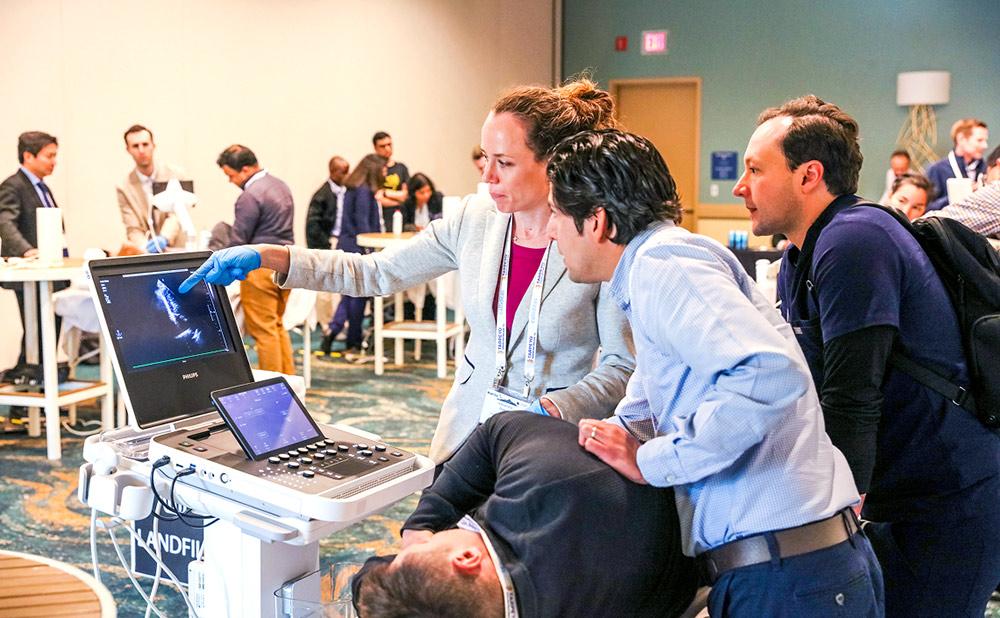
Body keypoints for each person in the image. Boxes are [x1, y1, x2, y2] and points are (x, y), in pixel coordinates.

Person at [179, 78, 635, 464]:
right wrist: (269, 255)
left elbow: (622, 365)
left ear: (552, 164)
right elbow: (373, 273)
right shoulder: (475, 219)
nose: (487, 178)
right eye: (486, 160)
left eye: (505, 163)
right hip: (467, 435)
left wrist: (554, 408)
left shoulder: (596, 236)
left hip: (548, 445)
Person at [544, 128, 879, 617]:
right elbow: (650, 400)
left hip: (788, 575)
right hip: (795, 568)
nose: (550, 230)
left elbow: (769, 376)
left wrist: (652, 462)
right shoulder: (659, 264)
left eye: (555, 213)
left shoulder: (663, 267)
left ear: (595, 221)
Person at [732, 94, 1000, 616]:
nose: (742, 186)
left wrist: (832, 512)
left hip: (953, 500)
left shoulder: (855, 239)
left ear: (809, 175)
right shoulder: (799, 257)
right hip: (903, 499)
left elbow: (852, 393)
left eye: (755, 169)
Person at [354, 411, 698, 618]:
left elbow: (367, 579)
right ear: (467, 558)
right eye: (412, 552)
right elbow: (496, 430)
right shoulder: (545, 484)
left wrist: (421, 527)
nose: (412, 544)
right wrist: (425, 522)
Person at [215, 144, 295, 374]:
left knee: (263, 331)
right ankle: (289, 384)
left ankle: (275, 390)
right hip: (288, 262)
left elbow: (239, 241)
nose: (230, 181)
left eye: (230, 175)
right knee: (277, 326)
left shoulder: (249, 196)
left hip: (260, 267)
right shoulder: (281, 186)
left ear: (246, 169)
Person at [0, 131, 67, 365]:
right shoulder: (13, 186)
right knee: (36, 333)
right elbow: (5, 223)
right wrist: (28, 250)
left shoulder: (42, 187)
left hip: (53, 271)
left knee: (46, 333)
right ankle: (29, 387)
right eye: (49, 156)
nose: (53, 161)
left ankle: (36, 388)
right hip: (31, 274)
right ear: (29, 156)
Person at [320, 154, 386, 357]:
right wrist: (370, 251)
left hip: (346, 244)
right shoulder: (364, 191)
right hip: (359, 247)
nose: (385, 173)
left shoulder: (351, 188)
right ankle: (353, 340)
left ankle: (334, 329)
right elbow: (363, 223)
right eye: (383, 170)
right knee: (358, 296)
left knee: (348, 295)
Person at [116, 124, 188, 253]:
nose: (141, 150)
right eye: (135, 146)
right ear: (128, 149)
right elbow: (132, 227)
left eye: (145, 144)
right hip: (146, 253)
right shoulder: (123, 187)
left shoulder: (176, 175)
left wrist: (164, 238)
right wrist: (145, 248)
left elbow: (177, 214)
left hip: (176, 249)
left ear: (153, 145)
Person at [306, 155, 350, 337]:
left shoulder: (347, 192)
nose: (346, 175)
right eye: (343, 172)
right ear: (332, 172)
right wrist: (323, 245)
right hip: (325, 243)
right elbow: (312, 225)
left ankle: (339, 322)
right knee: (324, 289)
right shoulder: (322, 195)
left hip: (342, 241)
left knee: (341, 286)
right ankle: (326, 325)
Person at [930, 144, 1000, 248]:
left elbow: (931, 225)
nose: (984, 145)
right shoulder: (939, 168)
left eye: (986, 178)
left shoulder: (996, 191)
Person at [925, 118, 989, 211]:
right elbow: (926, 208)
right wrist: (962, 193)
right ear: (961, 139)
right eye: (979, 140)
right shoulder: (937, 170)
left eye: (985, 140)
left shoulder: (987, 169)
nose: (985, 146)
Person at [372, 131, 408, 222]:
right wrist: (398, 201)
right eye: (382, 146)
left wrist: (385, 192)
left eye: (389, 144)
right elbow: (377, 199)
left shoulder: (401, 167)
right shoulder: (373, 169)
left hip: (400, 215)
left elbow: (405, 195)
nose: (387, 148)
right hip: (380, 217)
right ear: (375, 148)